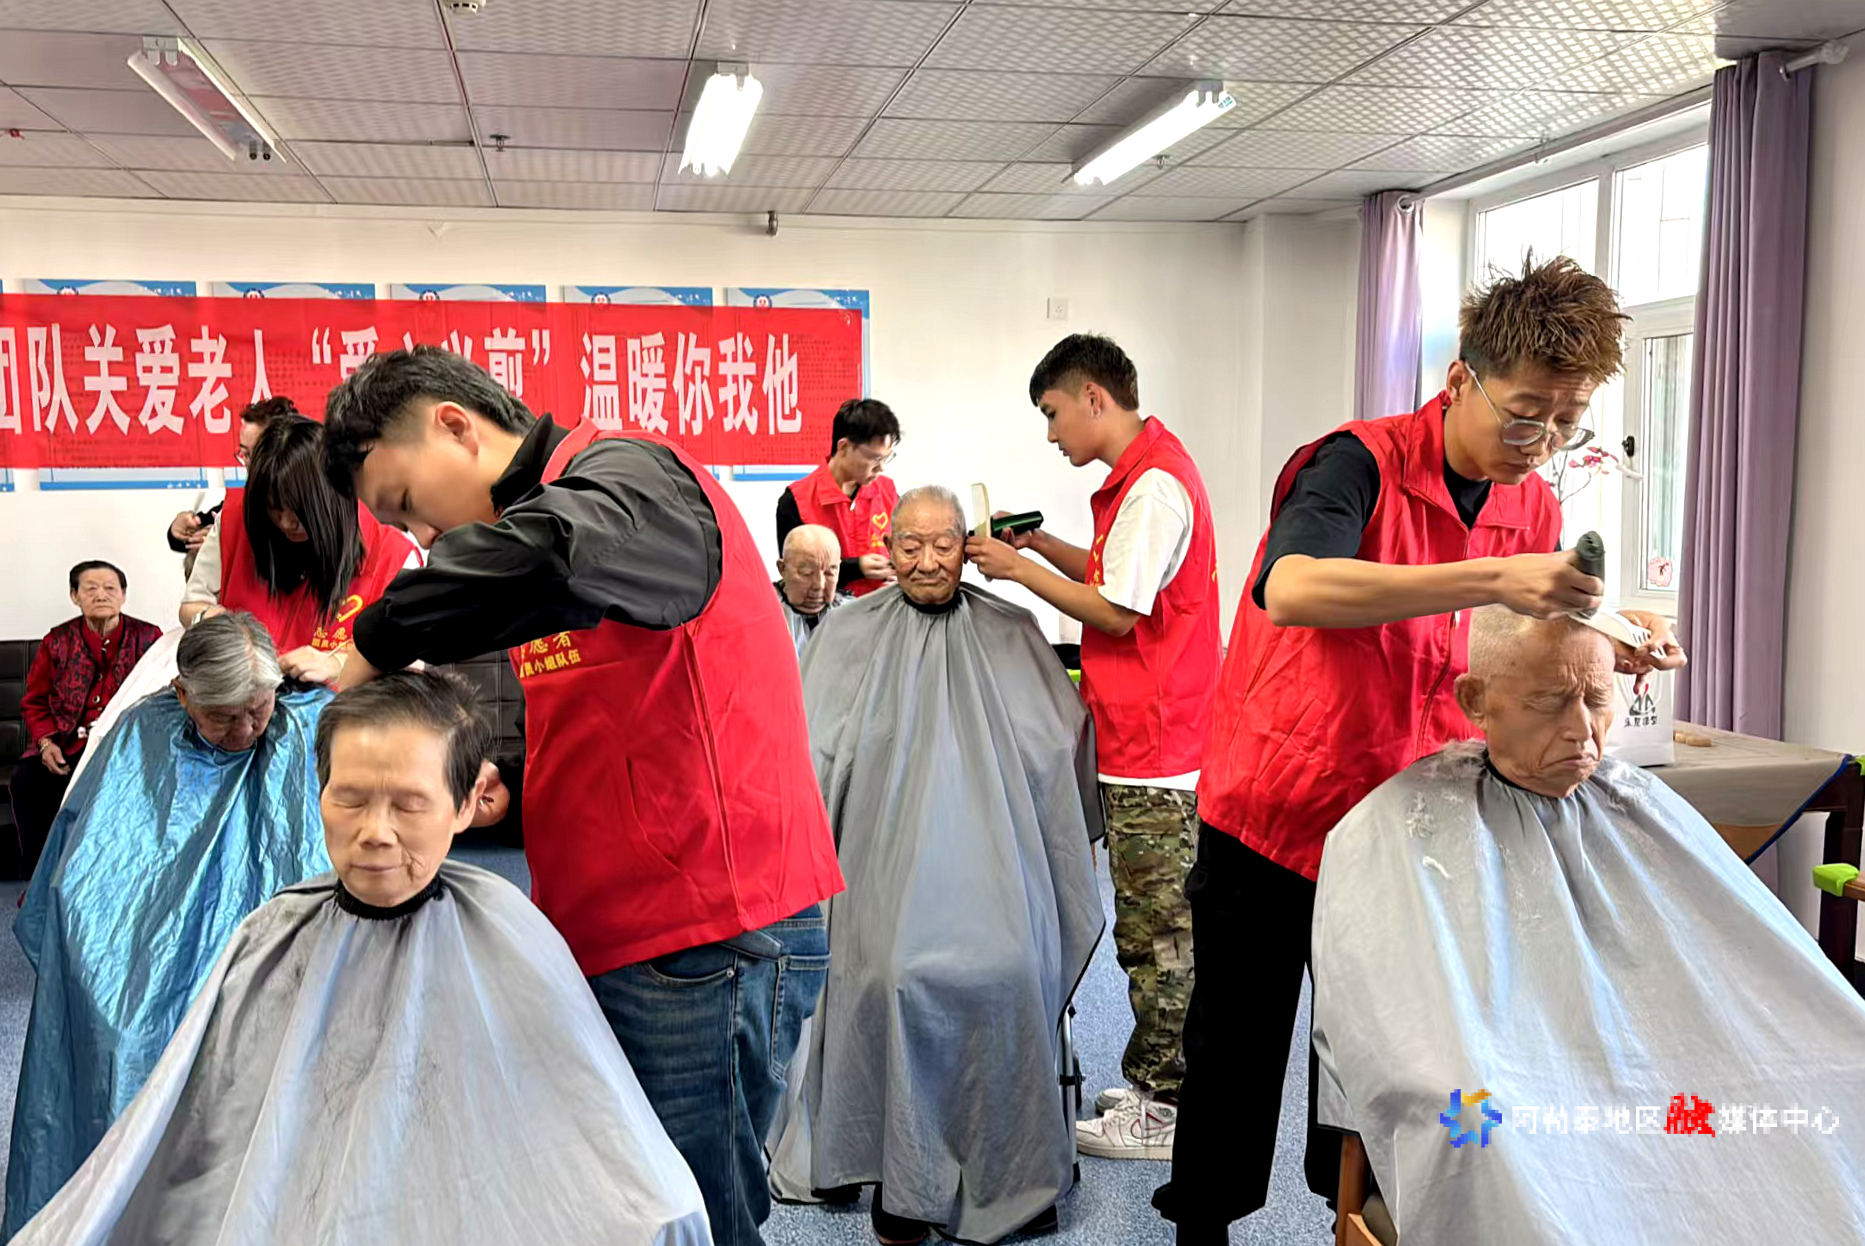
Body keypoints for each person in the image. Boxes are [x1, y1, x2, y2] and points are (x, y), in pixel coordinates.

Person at [1154, 255, 1688, 1244]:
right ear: (1458, 380)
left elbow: (1518, 626)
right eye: (1525, 415)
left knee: (1383, 1044)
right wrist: (1490, 576)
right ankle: (1202, 1225)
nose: (1542, 443)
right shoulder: (1352, 463)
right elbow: (1291, 588)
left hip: (1411, 817)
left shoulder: (1530, 503)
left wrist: (1616, 636)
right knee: (1238, 1038)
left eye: (1566, 422)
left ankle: (1351, 1212)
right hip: (1279, 809)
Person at [303, 346, 842, 1246]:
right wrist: (505, 784)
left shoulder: (630, 480)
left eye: (404, 503)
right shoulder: (541, 531)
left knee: (691, 1213)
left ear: (452, 424)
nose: (422, 537)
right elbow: (608, 703)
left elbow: (552, 556)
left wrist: (377, 639)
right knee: (623, 1198)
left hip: (704, 933)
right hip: (613, 925)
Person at [9, 669, 712, 1246]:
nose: (375, 833)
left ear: (471, 802)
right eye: (349, 799)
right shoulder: (271, 935)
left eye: (410, 804)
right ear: (319, 792)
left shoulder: (511, 931)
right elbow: (199, 1140)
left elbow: (589, 1127)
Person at [1311, 607, 1865, 1244]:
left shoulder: (1638, 803)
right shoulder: (1397, 825)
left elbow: (1751, 966)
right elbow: (1394, 1033)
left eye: (1597, 699)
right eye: (1550, 702)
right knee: (1488, 1131)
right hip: (1517, 1088)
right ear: (1475, 701)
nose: (1582, 731)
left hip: (1661, 1063)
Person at [770, 487, 1104, 1245]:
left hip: (998, 867)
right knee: (887, 977)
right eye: (910, 546)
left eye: (943, 545)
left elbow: (1058, 744)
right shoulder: (847, 635)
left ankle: (1008, 1172)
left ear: (968, 547)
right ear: (887, 550)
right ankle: (894, 1169)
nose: (926, 562)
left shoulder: (1012, 632)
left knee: (1011, 972)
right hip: (875, 869)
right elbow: (809, 755)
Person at [968, 333, 1218, 1160]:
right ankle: (1159, 1084)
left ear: (1092, 398)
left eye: (1052, 414)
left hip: (1160, 749)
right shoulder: (1140, 478)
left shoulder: (1153, 486)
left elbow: (1114, 611)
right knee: (1151, 927)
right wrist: (1039, 548)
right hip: (1143, 738)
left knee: (1158, 935)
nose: (1050, 434)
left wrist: (1014, 572)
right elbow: (1116, 579)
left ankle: (1161, 1105)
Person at [5, 612, 333, 1237]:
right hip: (141, 956)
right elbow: (83, 878)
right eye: (223, 716)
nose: (245, 730)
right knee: (123, 1042)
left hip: (276, 946)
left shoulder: (307, 723)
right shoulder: (140, 734)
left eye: (257, 710)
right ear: (182, 695)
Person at [179, 407, 419, 657]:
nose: (285, 523)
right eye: (274, 509)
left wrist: (337, 665)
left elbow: (409, 657)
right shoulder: (235, 521)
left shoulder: (392, 557)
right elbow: (191, 606)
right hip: (244, 679)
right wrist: (211, 618)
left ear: (329, 499)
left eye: (297, 512)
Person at [7, 561, 162, 876]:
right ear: (74, 596)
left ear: (124, 595)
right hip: (68, 747)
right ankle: (40, 877)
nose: (101, 595)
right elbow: (35, 701)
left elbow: (161, 697)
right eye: (90, 588)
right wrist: (46, 743)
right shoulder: (57, 641)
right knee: (28, 779)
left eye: (110, 588)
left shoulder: (149, 637)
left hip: (126, 747)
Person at [775, 397, 901, 597]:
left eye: (887, 457)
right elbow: (795, 573)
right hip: (825, 612)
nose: (882, 467)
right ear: (843, 447)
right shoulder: (796, 502)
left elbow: (907, 554)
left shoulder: (888, 493)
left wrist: (901, 577)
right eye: (875, 458)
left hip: (884, 609)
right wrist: (856, 567)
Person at [164, 397, 289, 576]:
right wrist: (180, 532)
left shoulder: (302, 501)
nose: (248, 464)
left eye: (255, 454)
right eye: (244, 454)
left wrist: (227, 543)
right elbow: (206, 528)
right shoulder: (246, 501)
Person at [774, 523, 848, 656]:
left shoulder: (854, 614)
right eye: (806, 573)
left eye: (830, 573)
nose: (819, 585)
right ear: (783, 569)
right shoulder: (761, 615)